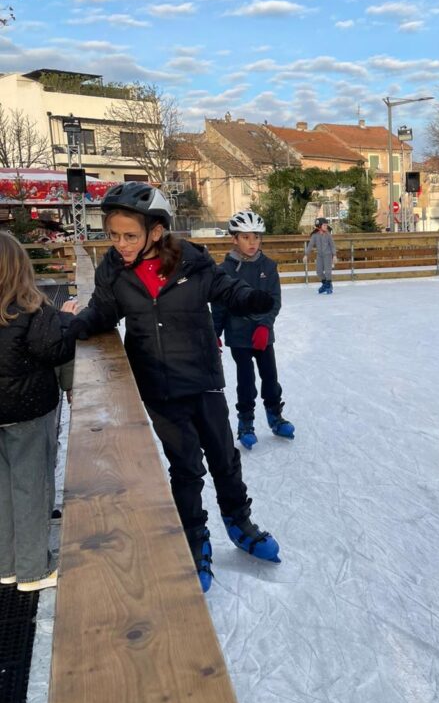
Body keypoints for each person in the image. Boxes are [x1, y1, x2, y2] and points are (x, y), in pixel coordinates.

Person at [68, 182, 282, 592]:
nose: (120, 244)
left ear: (156, 231)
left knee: (223, 457)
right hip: (157, 383)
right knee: (185, 466)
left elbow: (224, 287)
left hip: (201, 377)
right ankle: (195, 536)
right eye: (113, 235)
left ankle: (239, 521)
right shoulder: (114, 270)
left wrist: (250, 299)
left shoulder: (190, 261)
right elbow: (103, 311)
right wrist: (76, 324)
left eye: (130, 236)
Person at [0, 232, 78, 591]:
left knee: (4, 490)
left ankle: (6, 564)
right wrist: (65, 320)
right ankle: (33, 569)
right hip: (28, 412)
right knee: (31, 487)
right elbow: (55, 351)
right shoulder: (34, 310)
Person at [212, 210, 294, 450]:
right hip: (238, 335)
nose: (252, 242)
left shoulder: (268, 266)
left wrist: (265, 326)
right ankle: (245, 422)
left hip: (263, 335)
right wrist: (214, 333)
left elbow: (274, 300)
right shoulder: (224, 270)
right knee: (246, 380)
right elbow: (219, 305)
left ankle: (275, 416)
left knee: (270, 376)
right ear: (234, 239)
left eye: (256, 237)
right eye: (246, 237)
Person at [304, 217, 336, 294]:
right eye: (324, 225)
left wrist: (334, 255)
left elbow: (332, 245)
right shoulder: (315, 235)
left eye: (326, 225)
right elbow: (310, 245)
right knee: (319, 272)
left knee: (328, 271)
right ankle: (325, 284)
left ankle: (328, 285)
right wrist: (306, 255)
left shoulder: (328, 234)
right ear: (319, 226)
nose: (326, 227)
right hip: (319, 256)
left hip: (327, 255)